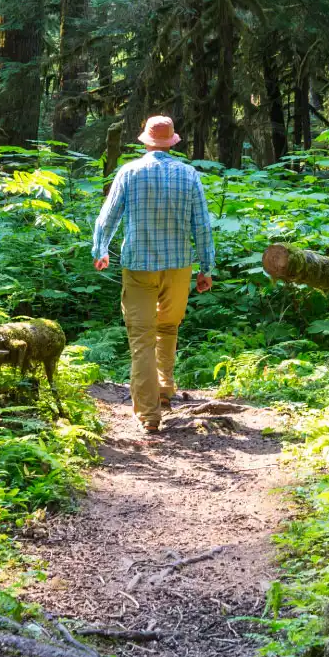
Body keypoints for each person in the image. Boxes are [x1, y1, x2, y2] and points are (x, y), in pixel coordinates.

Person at [92, 115, 215, 434]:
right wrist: (206, 267)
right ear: (172, 143)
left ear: (145, 141)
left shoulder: (129, 172)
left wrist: (101, 250)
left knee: (142, 337)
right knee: (168, 326)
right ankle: (163, 388)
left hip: (138, 265)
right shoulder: (189, 175)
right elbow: (201, 225)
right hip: (178, 266)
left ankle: (149, 414)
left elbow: (107, 218)